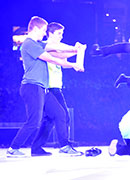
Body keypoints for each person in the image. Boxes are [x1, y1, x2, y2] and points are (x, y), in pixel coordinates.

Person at [6, 16, 83, 157]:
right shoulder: (29, 44)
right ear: (35, 28)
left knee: (59, 113)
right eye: (43, 30)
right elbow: (51, 58)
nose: (44, 33)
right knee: (34, 121)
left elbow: (55, 47)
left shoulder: (38, 44)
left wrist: (75, 49)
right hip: (31, 87)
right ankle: (13, 148)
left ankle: (65, 146)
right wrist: (72, 64)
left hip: (42, 89)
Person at [31, 22, 87, 156]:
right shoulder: (45, 46)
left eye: (62, 33)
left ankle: (37, 148)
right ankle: (64, 145)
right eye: (59, 33)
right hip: (49, 88)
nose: (61, 36)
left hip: (55, 87)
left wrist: (75, 57)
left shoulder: (56, 48)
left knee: (49, 119)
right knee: (63, 116)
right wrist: (76, 49)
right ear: (50, 34)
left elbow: (62, 56)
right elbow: (59, 54)